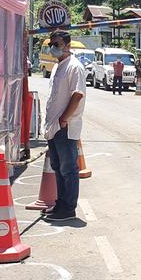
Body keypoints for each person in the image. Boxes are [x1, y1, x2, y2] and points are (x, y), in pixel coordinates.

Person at [42, 30, 87, 221]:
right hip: (54, 126)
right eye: (52, 44)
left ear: (68, 45)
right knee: (58, 166)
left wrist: (64, 120)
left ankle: (69, 208)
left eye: (57, 44)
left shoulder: (74, 67)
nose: (53, 48)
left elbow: (78, 95)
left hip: (65, 127)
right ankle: (60, 203)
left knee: (68, 169)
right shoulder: (56, 66)